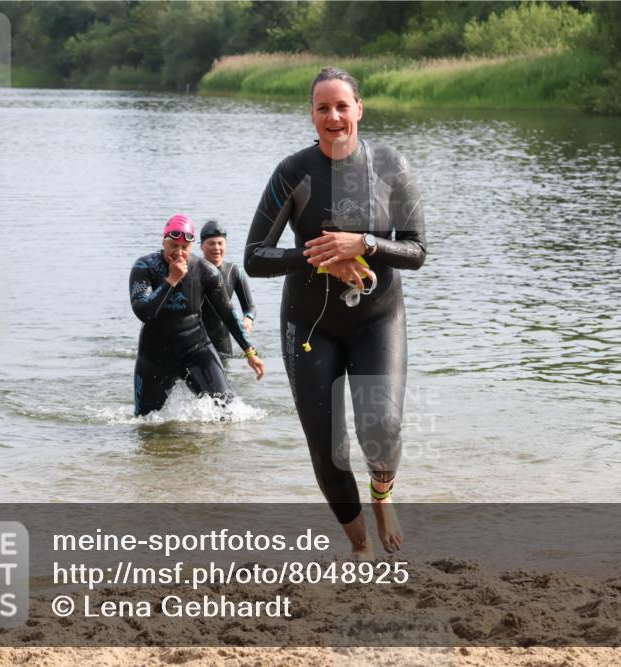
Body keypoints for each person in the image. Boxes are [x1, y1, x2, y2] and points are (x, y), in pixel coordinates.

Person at [244, 67, 426, 558]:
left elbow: (416, 251)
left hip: (377, 319)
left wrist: (364, 243)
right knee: (327, 446)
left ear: (359, 109)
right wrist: (322, 255)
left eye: (342, 106)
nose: (334, 116)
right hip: (310, 324)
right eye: (323, 108)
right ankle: (359, 544)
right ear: (312, 115)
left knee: (381, 428)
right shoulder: (292, 173)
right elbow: (255, 256)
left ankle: (383, 496)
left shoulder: (390, 166)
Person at [130, 214, 264, 417]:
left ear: (192, 247)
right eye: (173, 246)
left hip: (195, 348)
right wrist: (171, 280)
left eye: (185, 248)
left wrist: (250, 352)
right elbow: (143, 311)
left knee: (227, 411)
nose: (179, 253)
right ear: (163, 242)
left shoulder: (206, 271)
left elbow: (227, 313)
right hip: (155, 353)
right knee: (145, 420)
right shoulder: (144, 267)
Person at [198, 220, 256, 359]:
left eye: (220, 243)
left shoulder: (234, 271)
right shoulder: (194, 270)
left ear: (226, 245)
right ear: (201, 246)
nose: (216, 248)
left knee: (225, 378)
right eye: (211, 243)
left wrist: (248, 319)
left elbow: (250, 307)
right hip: (196, 338)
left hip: (222, 341)